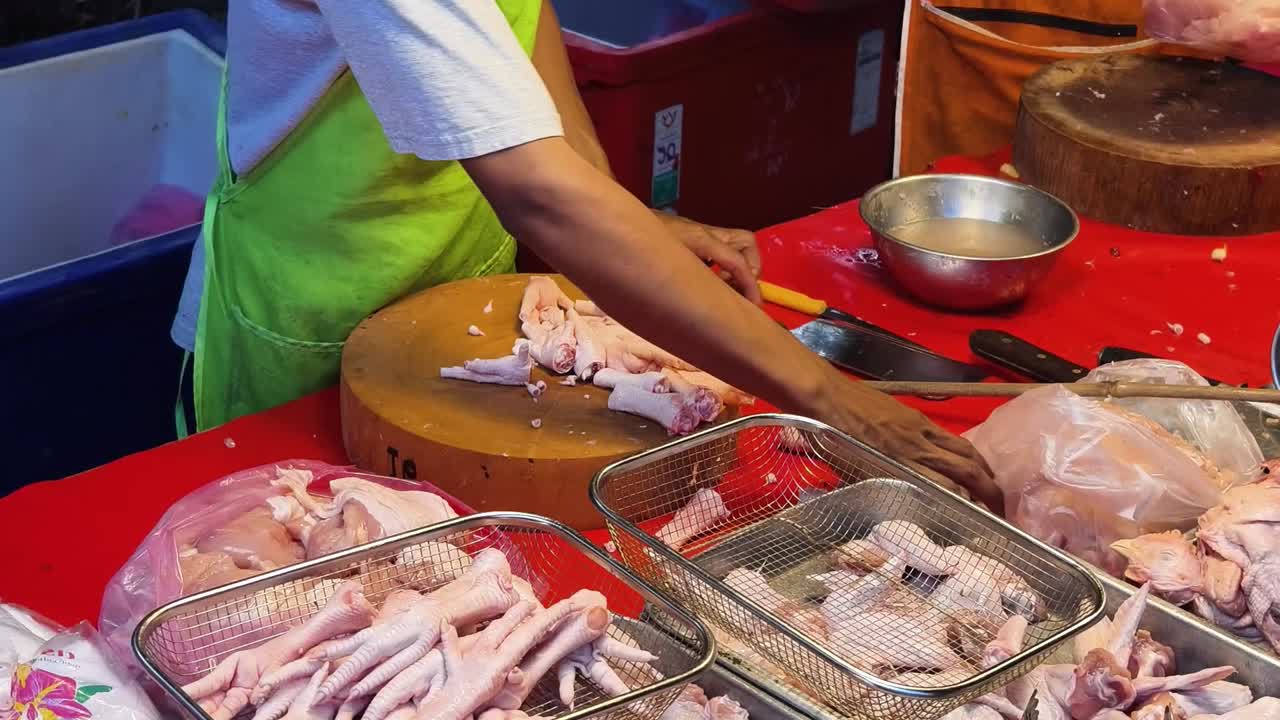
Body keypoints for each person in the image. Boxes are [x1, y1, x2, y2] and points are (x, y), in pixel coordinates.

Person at [169, 0, 999, 508]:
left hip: (452, 296)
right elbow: (535, 191)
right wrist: (828, 395)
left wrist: (619, 208)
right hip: (309, 308)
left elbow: (517, 27)